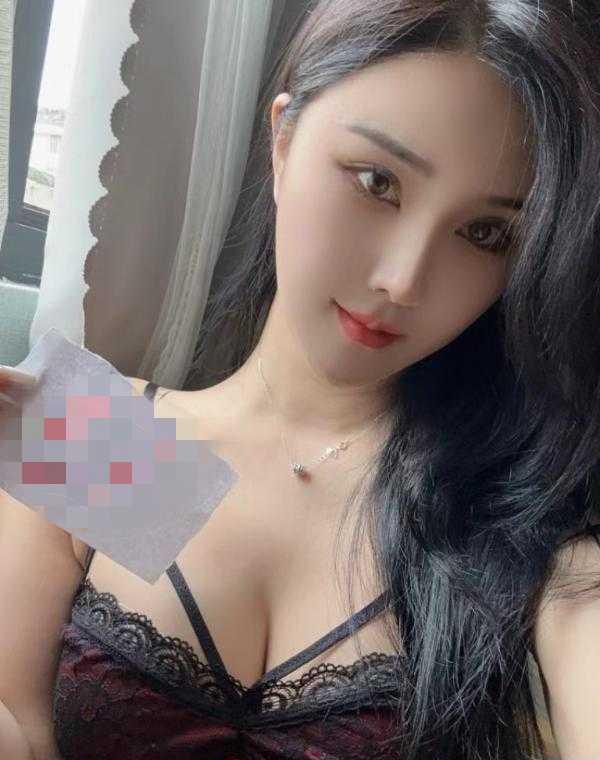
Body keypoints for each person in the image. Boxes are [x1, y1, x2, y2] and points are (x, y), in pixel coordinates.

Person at [2, 0, 600, 758]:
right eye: (377, 181)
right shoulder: (100, 432)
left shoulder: (508, 519)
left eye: (484, 233)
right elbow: (20, 726)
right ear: (283, 141)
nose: (403, 280)